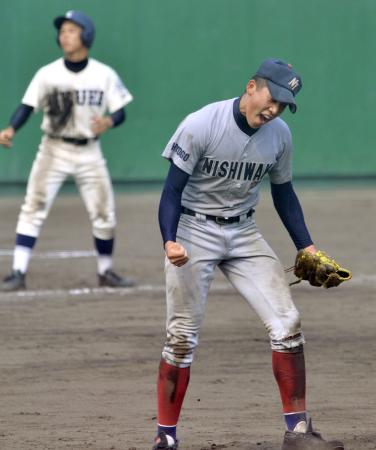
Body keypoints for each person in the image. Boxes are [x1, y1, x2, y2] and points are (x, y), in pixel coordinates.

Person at [152, 59, 345, 449]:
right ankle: (166, 438)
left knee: (288, 323)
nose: (274, 109)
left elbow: (284, 193)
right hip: (193, 230)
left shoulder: (280, 136)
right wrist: (169, 240)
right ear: (252, 87)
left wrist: (306, 245)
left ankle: (298, 433)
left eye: (284, 105)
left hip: (243, 231)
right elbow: (172, 191)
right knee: (181, 339)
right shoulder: (201, 124)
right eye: (272, 98)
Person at [0, 10, 135, 291]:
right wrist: (12, 128)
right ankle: (18, 272)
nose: (65, 35)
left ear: (86, 35)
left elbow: (121, 111)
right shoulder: (47, 74)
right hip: (53, 149)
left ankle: (105, 271)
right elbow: (27, 106)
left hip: (89, 153)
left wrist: (109, 121)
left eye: (72, 30)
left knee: (104, 212)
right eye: (62, 31)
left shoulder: (103, 74)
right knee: (33, 208)